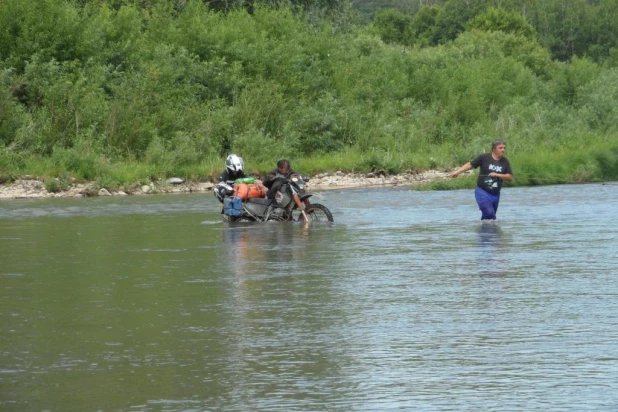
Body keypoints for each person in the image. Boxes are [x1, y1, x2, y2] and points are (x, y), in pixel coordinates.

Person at [449, 139, 514, 220]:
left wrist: (498, 175)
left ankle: (483, 232)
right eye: (500, 148)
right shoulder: (484, 157)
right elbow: (470, 165)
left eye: (504, 148)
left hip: (496, 194)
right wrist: (457, 172)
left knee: (489, 219)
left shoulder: (505, 162)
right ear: (494, 149)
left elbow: (510, 177)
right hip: (482, 192)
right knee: (490, 214)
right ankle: (488, 231)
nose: (503, 150)